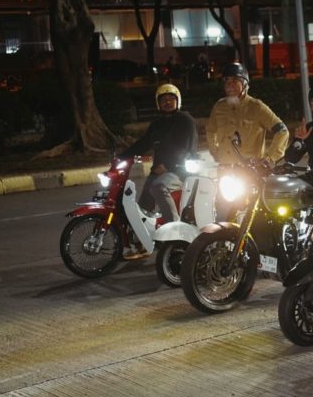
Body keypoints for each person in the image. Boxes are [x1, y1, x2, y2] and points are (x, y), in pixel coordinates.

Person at [117, 83, 197, 258]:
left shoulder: (186, 121)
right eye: (163, 100)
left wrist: (168, 165)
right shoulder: (157, 124)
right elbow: (143, 143)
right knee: (142, 208)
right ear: (158, 103)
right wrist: (122, 157)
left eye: (171, 99)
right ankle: (142, 242)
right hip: (159, 171)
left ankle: (176, 234)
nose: (167, 102)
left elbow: (186, 148)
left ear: (178, 101)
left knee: (158, 186)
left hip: (180, 171)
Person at [206, 62, 290, 166]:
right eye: (227, 81)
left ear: (244, 84)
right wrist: (215, 151)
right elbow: (210, 130)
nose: (229, 85)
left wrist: (269, 158)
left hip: (250, 170)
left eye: (234, 81)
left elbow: (282, 131)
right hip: (225, 168)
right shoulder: (219, 107)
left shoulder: (257, 107)